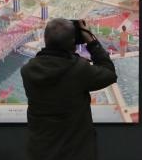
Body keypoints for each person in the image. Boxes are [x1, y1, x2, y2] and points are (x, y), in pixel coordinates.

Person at [20, 18, 117, 160]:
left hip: (40, 152)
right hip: (76, 152)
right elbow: (109, 73)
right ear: (73, 43)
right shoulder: (79, 70)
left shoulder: (27, 71)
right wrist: (90, 40)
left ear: (45, 39)